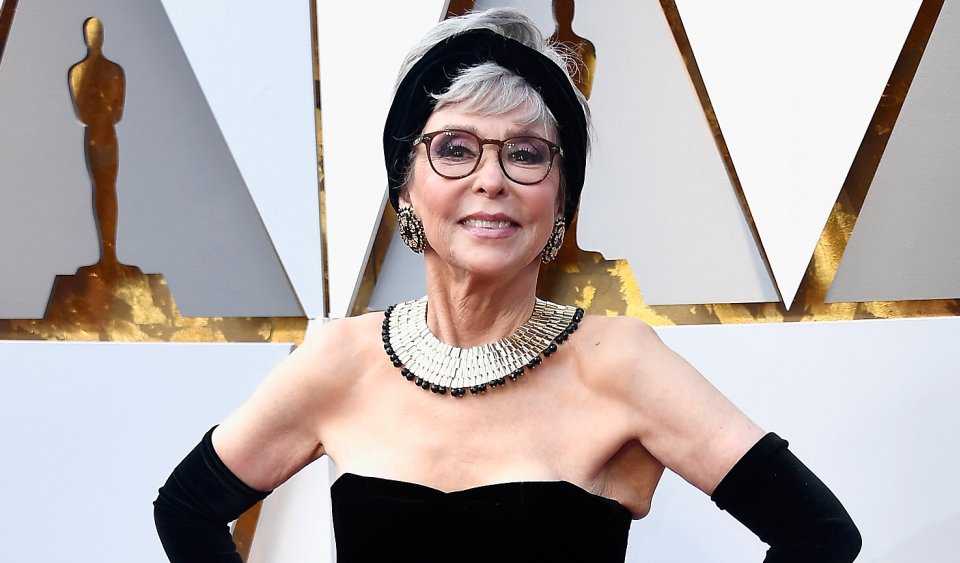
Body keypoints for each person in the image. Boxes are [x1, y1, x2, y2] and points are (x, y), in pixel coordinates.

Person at [154, 8, 861, 562]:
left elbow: (819, 535)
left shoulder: (620, 362)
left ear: (559, 198)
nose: (490, 179)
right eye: (455, 148)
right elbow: (186, 508)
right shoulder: (339, 361)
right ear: (406, 186)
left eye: (526, 153)